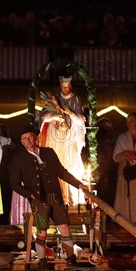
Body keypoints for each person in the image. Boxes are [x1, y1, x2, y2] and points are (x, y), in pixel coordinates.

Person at [9, 126, 88, 268]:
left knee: (64, 227)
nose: (28, 140)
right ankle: (42, 261)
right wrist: (29, 194)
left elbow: (62, 172)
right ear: (21, 142)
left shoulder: (48, 153)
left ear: (36, 137)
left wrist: (79, 185)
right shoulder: (18, 159)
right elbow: (14, 184)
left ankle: (71, 259)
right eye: (24, 139)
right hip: (39, 200)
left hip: (55, 196)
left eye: (30, 137)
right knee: (42, 231)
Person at [38, 75, 86, 205]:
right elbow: (42, 117)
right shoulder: (55, 99)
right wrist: (55, 116)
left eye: (67, 87)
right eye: (63, 87)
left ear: (70, 86)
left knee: (69, 165)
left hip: (70, 139)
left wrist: (70, 114)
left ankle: (70, 197)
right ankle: (55, 196)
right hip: (55, 138)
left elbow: (81, 121)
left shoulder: (76, 99)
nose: (65, 89)